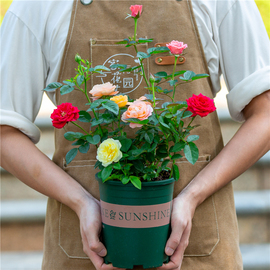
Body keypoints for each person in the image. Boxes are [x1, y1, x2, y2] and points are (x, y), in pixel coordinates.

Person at [0, 0, 269, 269]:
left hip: (200, 248)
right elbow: (4, 132)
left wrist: (192, 196)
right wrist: (81, 202)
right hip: (85, 254)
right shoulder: (37, 6)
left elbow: (265, 114)